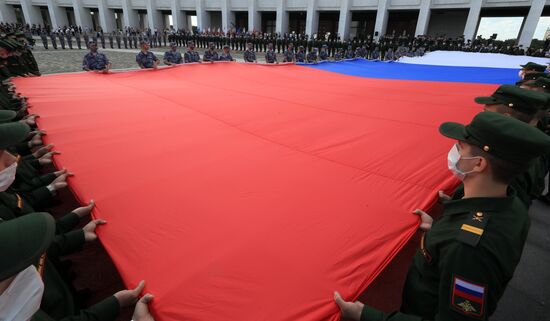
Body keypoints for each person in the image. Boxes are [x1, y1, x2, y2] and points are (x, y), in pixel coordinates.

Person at [334, 111, 550, 321]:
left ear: (478, 164)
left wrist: (366, 315)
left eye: (460, 147)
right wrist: (439, 226)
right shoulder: (512, 205)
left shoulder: (468, 248)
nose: (454, 151)